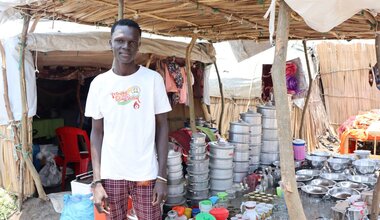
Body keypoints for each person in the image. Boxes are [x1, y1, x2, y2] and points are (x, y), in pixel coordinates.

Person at [85, 19, 172, 220]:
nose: (126, 46)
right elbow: (96, 133)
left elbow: (163, 126)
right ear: (110, 43)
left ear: (139, 45)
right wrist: (97, 182)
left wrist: (161, 176)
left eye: (132, 42)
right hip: (112, 173)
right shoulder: (99, 84)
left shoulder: (153, 80)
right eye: (120, 40)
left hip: (146, 173)